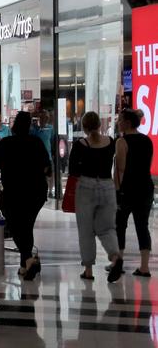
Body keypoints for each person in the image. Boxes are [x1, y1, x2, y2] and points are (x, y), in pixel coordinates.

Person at [0, 111, 50, 280]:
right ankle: (25, 264)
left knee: (16, 226)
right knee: (26, 226)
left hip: (14, 191)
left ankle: (28, 260)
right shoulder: (36, 142)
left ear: (15, 125)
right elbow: (47, 167)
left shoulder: (7, 143)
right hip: (36, 191)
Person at [68, 112, 124, 282]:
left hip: (86, 187)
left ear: (84, 127)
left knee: (86, 230)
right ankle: (115, 258)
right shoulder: (111, 142)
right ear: (99, 125)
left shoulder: (80, 145)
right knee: (107, 228)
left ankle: (88, 270)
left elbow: (73, 171)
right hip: (107, 186)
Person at [114, 108, 154, 278]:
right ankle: (144, 266)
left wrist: (116, 190)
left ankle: (118, 263)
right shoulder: (147, 140)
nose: (118, 122)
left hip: (127, 189)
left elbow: (120, 169)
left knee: (120, 226)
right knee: (142, 226)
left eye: (120, 119)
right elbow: (148, 165)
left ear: (127, 123)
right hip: (145, 187)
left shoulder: (122, 142)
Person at [32, 110, 55, 197]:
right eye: (41, 117)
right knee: (40, 175)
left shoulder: (50, 129)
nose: (43, 119)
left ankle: (50, 191)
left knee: (50, 174)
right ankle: (42, 191)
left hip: (48, 155)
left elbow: (53, 141)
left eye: (45, 117)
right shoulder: (34, 129)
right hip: (37, 157)